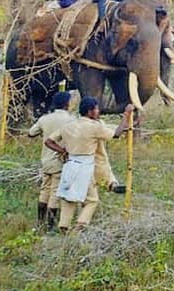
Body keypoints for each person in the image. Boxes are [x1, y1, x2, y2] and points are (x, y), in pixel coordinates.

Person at [45, 99, 133, 232]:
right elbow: (116, 134)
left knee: (69, 197)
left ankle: (64, 225)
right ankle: (80, 225)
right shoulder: (94, 127)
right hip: (85, 166)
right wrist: (126, 115)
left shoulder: (68, 126)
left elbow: (49, 141)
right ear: (90, 111)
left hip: (69, 164)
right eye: (96, 109)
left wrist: (62, 151)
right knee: (92, 200)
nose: (98, 111)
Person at [27, 92, 74, 231]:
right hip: (60, 160)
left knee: (44, 189)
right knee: (55, 192)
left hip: (45, 159)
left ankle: (40, 221)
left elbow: (31, 133)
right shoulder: (71, 120)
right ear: (67, 104)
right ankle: (49, 225)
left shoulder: (45, 118)